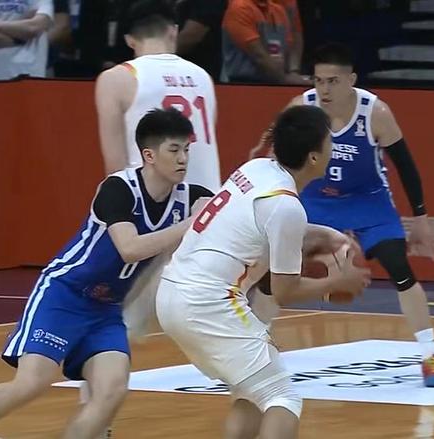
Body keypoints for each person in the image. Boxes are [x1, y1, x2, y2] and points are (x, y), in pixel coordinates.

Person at [0, 108, 213, 439]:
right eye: (174, 150)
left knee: (112, 390)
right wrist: (189, 226)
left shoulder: (193, 197)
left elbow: (224, 217)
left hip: (106, 310)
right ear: (149, 155)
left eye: (186, 149)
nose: (183, 158)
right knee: (33, 382)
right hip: (65, 294)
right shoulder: (118, 189)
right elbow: (129, 248)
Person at [157, 105, 370, 439]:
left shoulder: (256, 169)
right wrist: (337, 281)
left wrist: (326, 235)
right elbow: (285, 291)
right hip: (208, 303)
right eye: (329, 141)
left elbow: (263, 225)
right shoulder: (286, 205)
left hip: (173, 292)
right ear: (314, 157)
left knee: (251, 395)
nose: (333, 147)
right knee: (282, 397)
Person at [253, 42, 434, 387]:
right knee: (274, 271)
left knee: (399, 266)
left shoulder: (376, 112)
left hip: (367, 200)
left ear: (351, 80)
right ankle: (255, 349)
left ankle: (430, 355)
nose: (324, 89)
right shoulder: (302, 106)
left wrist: (420, 218)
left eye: (333, 81)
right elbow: (277, 144)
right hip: (316, 199)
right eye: (319, 81)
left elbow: (405, 166)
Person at [95, 0, 221, 191]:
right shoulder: (203, 77)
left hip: (151, 200)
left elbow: (115, 166)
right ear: (174, 31)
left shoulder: (117, 78)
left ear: (129, 40)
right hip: (206, 198)